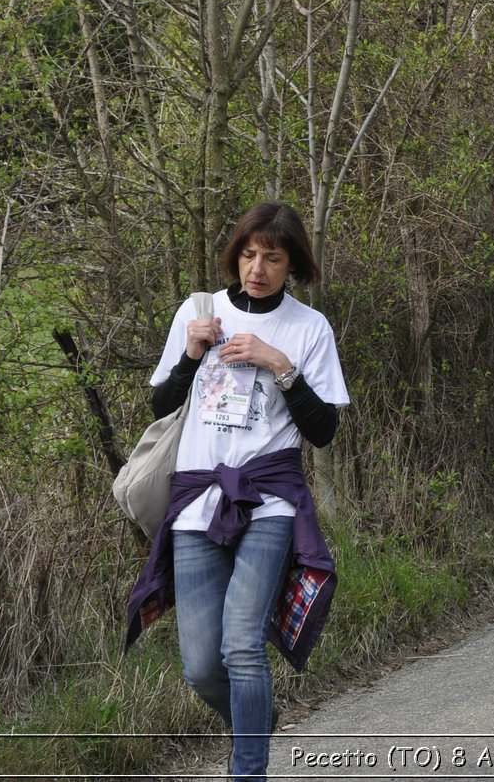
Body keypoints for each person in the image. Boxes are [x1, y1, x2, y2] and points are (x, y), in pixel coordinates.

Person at [126, 203, 351, 782]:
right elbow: (161, 406)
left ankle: (247, 770)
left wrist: (280, 364)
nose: (257, 268)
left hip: (269, 502)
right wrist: (191, 355)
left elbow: (323, 430)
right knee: (201, 666)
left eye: (272, 258)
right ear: (236, 256)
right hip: (197, 503)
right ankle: (257, 716)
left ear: (292, 264)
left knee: (243, 646)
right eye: (249, 255)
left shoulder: (309, 328)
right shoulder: (199, 313)